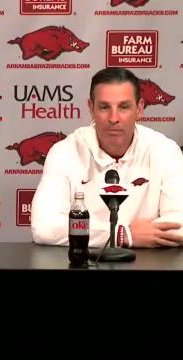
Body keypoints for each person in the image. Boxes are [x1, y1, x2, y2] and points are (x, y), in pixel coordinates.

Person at [32, 67, 183, 248]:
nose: (113, 118)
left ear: (140, 108)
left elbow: (180, 224)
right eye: (104, 107)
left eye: (124, 107)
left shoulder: (165, 150)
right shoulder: (64, 152)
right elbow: (44, 227)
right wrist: (122, 234)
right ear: (91, 108)